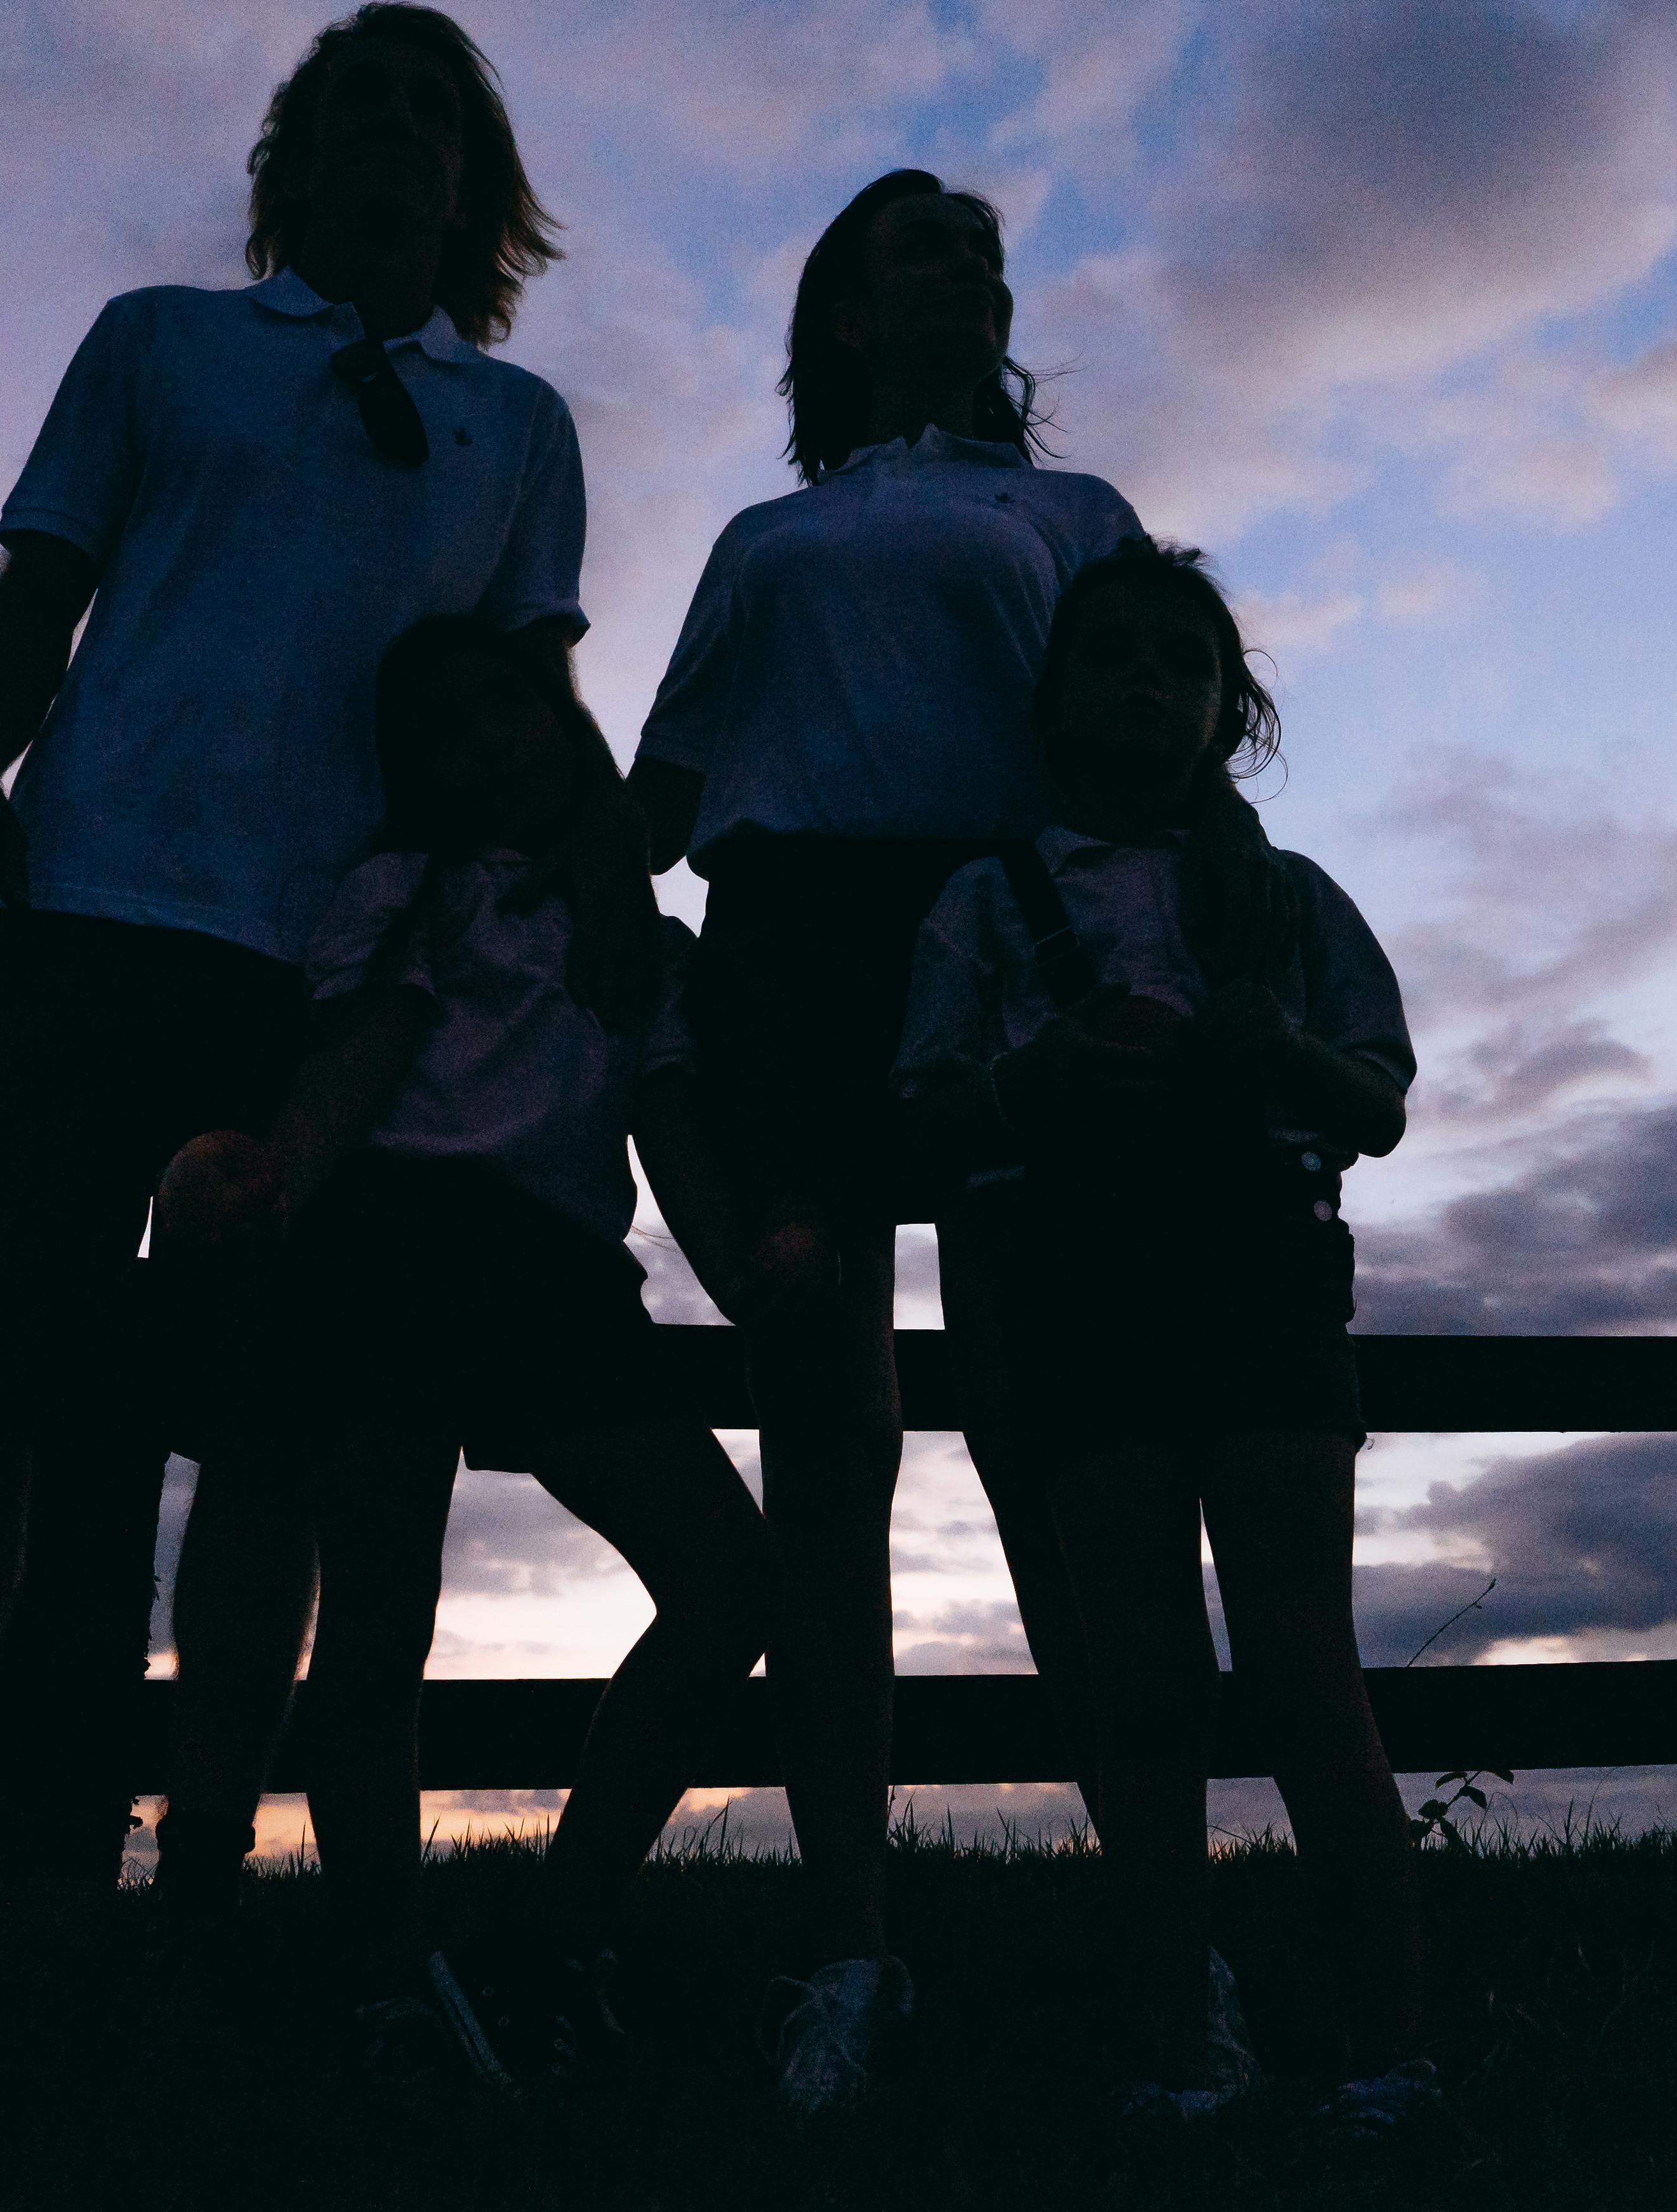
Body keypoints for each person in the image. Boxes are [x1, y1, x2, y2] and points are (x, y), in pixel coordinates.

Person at [0, 2, 590, 1943]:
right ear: (290, 157)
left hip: (326, 990)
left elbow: (531, 706)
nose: (391, 136)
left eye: (433, 109)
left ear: (477, 178)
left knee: (272, 1440)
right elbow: (43, 589)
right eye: (352, 105)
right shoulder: (160, 341)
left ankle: (191, 1866)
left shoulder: (516, 430)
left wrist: (606, 904)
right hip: (83, 921)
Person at [627, 170, 1140, 2107]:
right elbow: (665, 787)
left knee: (1050, 1440)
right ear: (840, 308)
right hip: (794, 959)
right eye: (921, 241)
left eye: (986, 248)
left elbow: (1141, 732)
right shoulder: (770, 534)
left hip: (1003, 948)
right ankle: (847, 1951)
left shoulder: (1075, 517)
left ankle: (1166, 1931)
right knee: (829, 1451)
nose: (970, 263)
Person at [147, 614, 770, 2109]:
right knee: (376, 1626)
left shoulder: (630, 929)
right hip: (386, 1250)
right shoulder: (397, 891)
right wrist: (277, 1178)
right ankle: (385, 1969)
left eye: (514, 711)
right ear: (406, 769)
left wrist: (753, 1278)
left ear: (566, 729)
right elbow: (362, 1054)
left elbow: (670, 1125)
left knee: (733, 1578)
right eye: (445, 728)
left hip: (553, 1275)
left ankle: (566, 1923)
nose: (488, 744)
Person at [895, 537, 1435, 2137]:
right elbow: (921, 1116)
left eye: (1180, 663)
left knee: (1303, 1663)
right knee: (1138, 1682)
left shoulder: (1293, 900)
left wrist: (1270, 1044)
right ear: (1050, 700)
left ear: (1228, 716)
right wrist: (1028, 1085)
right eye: (1110, 654)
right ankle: (1171, 2052)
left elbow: (1383, 1102)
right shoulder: (985, 904)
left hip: (1261, 1280)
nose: (1144, 680)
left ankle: (1388, 2047)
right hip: (1077, 1294)